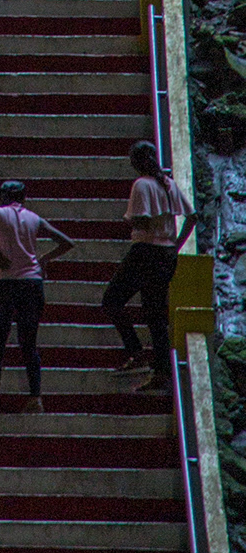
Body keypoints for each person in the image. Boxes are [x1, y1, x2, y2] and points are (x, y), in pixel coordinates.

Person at [0, 180, 74, 412]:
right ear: (24, 198)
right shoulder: (34, 218)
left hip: (4, 281)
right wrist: (45, 258)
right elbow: (66, 242)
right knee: (29, 341)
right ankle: (35, 396)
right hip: (31, 282)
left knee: (0, 329)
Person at [104, 140, 194, 388]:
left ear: (136, 162)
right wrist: (175, 244)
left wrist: (130, 222)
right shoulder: (167, 183)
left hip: (145, 250)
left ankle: (136, 351)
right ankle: (162, 372)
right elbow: (191, 216)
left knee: (112, 300)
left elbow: (141, 221)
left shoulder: (142, 185)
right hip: (166, 254)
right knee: (155, 314)